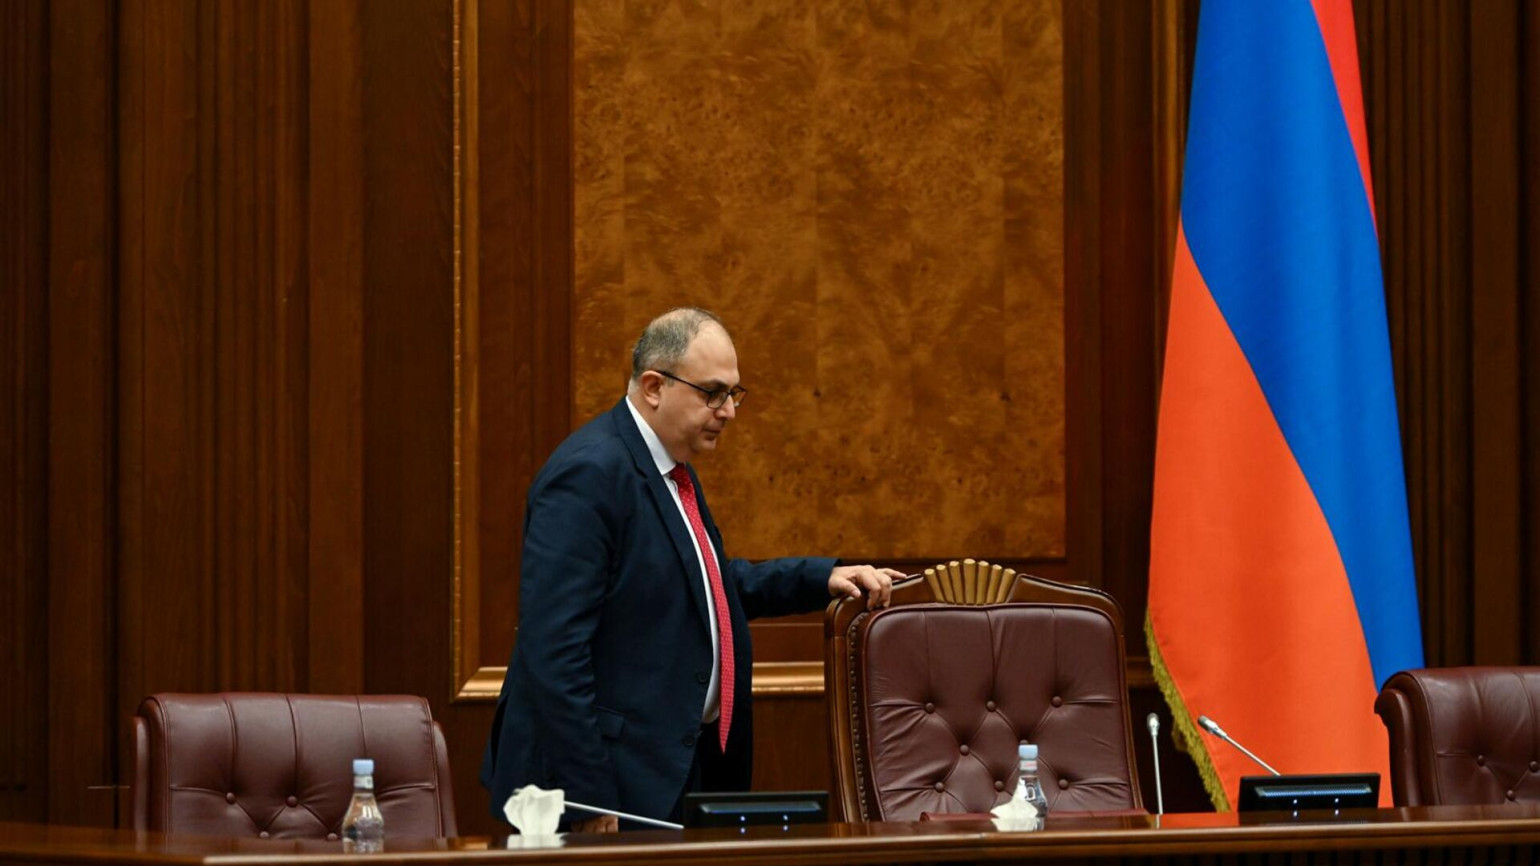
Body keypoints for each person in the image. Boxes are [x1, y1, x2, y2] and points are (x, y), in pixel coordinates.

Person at [480, 307, 902, 832]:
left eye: (734, 393)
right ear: (654, 387)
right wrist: (588, 800)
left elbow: (706, 588)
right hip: (601, 787)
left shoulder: (670, 470)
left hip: (666, 771)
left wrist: (819, 579)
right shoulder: (589, 473)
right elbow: (553, 652)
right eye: (713, 393)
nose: (729, 411)